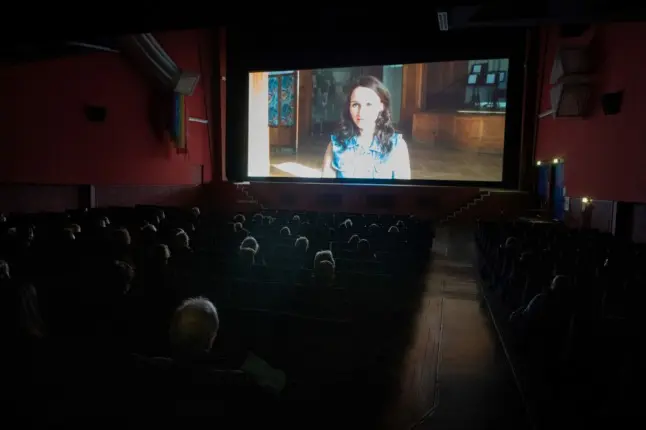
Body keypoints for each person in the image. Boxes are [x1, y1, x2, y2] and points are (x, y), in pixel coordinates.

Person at [322, 75, 411, 180]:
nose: (361, 112)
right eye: (355, 105)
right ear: (349, 107)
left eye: (369, 104)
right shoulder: (336, 145)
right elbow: (327, 186)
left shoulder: (397, 146)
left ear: (381, 106)